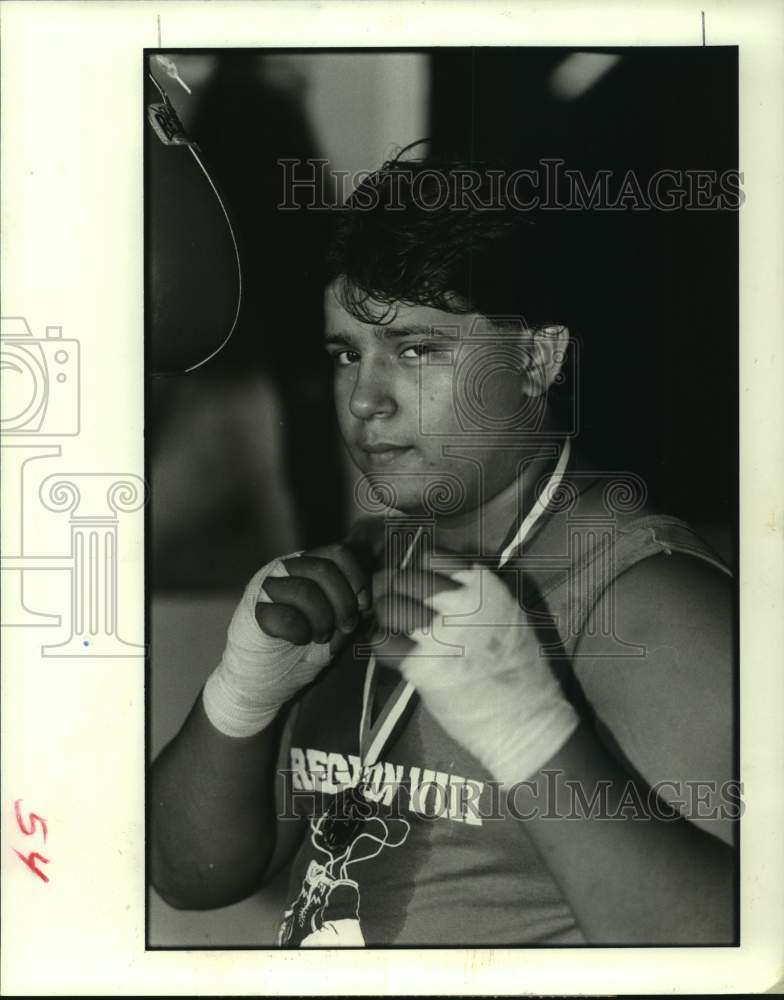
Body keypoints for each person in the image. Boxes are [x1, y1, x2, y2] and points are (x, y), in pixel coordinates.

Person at [150, 153, 736, 946]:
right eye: (346, 353)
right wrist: (239, 696)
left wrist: (531, 733)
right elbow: (190, 878)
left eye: (417, 349)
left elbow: (735, 956)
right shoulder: (360, 571)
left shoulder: (652, 602)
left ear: (537, 359)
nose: (364, 398)